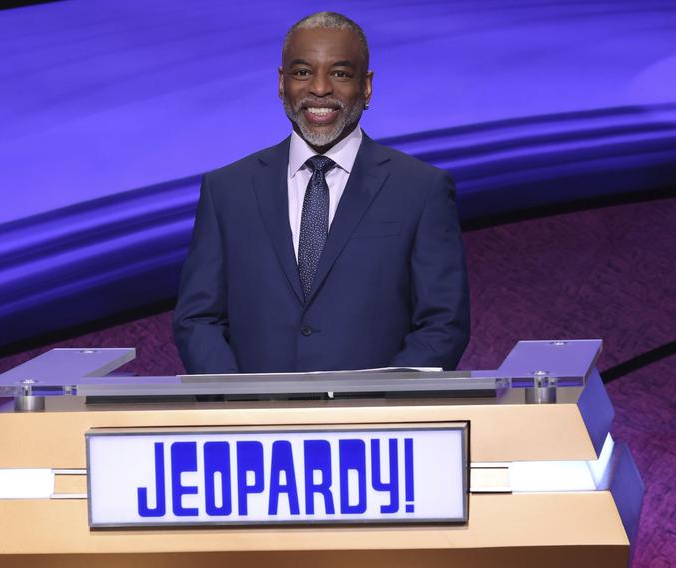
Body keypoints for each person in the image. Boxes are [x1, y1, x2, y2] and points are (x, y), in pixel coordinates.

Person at [173, 11, 469, 374]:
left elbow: (443, 324)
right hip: (255, 423)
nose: (319, 89)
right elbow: (198, 320)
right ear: (282, 83)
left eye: (340, 74)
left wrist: (380, 409)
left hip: (374, 423)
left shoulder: (422, 189)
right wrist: (236, 406)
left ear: (367, 86)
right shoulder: (226, 190)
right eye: (302, 72)